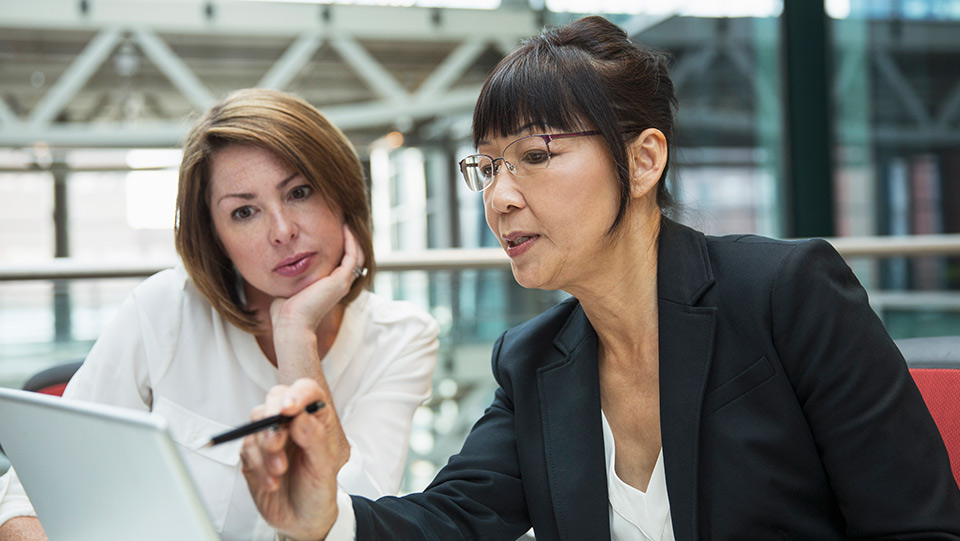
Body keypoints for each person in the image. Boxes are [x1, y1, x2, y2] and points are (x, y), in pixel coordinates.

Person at [240, 16, 960, 541]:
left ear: (644, 161)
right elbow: (451, 518)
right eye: (487, 165)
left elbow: (919, 529)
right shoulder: (534, 360)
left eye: (534, 155)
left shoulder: (785, 294)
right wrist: (324, 519)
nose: (499, 196)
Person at [0, 88, 439, 541]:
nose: (283, 231)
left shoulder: (401, 338)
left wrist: (295, 334)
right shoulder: (165, 308)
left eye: (300, 192)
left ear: (343, 193)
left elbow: (350, 522)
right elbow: (22, 502)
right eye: (245, 212)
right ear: (216, 237)